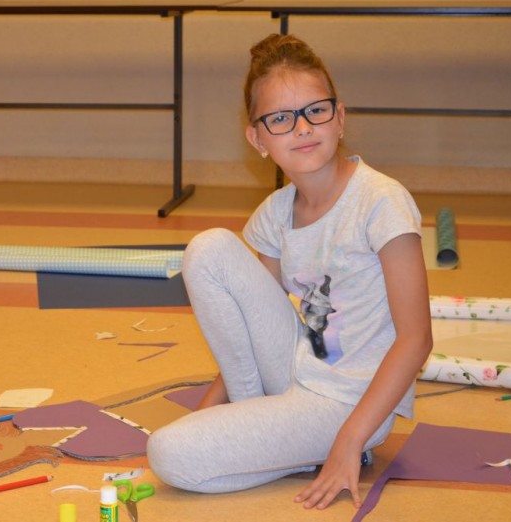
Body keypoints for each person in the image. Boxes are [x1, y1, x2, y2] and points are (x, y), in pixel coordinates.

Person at [147, 33, 432, 510]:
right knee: (208, 248)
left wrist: (348, 440)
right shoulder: (275, 213)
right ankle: (263, 422)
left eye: (315, 111)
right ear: (258, 139)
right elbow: (251, 327)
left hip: (350, 403)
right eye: (280, 119)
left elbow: (416, 339)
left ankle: (316, 444)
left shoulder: (381, 201)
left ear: (339, 117)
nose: (302, 128)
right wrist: (209, 411)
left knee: (168, 453)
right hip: (296, 372)